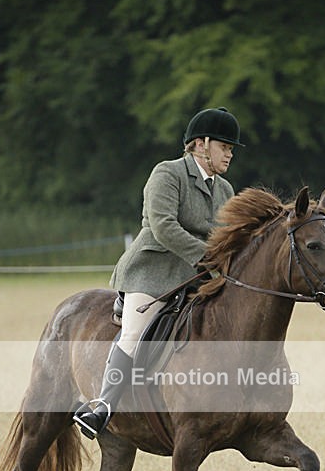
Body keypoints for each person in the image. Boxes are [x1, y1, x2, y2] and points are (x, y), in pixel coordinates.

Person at [73, 106, 244, 439]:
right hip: (152, 272)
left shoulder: (225, 190)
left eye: (231, 149)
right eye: (224, 147)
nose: (230, 154)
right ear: (202, 143)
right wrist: (209, 257)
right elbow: (164, 227)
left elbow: (227, 236)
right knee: (135, 332)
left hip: (197, 277)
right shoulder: (167, 173)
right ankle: (103, 408)